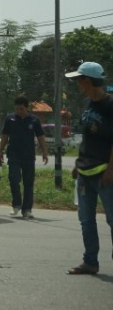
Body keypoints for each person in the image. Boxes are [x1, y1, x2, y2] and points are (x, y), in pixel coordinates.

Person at [65, 61, 113, 275]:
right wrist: (77, 163)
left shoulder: (110, 105)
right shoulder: (88, 105)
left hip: (105, 173)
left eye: (78, 80)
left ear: (87, 80)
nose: (77, 84)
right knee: (86, 220)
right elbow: (87, 139)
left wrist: (111, 170)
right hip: (85, 173)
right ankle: (90, 262)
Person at [0, 96, 49, 219]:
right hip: (13, 155)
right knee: (14, 179)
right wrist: (0, 151)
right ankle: (16, 204)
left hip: (28, 156)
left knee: (28, 183)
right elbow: (5, 136)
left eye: (21, 109)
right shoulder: (10, 119)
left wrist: (44, 152)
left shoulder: (34, 120)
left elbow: (40, 137)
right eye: (16, 109)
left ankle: (27, 209)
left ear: (27, 108)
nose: (19, 111)